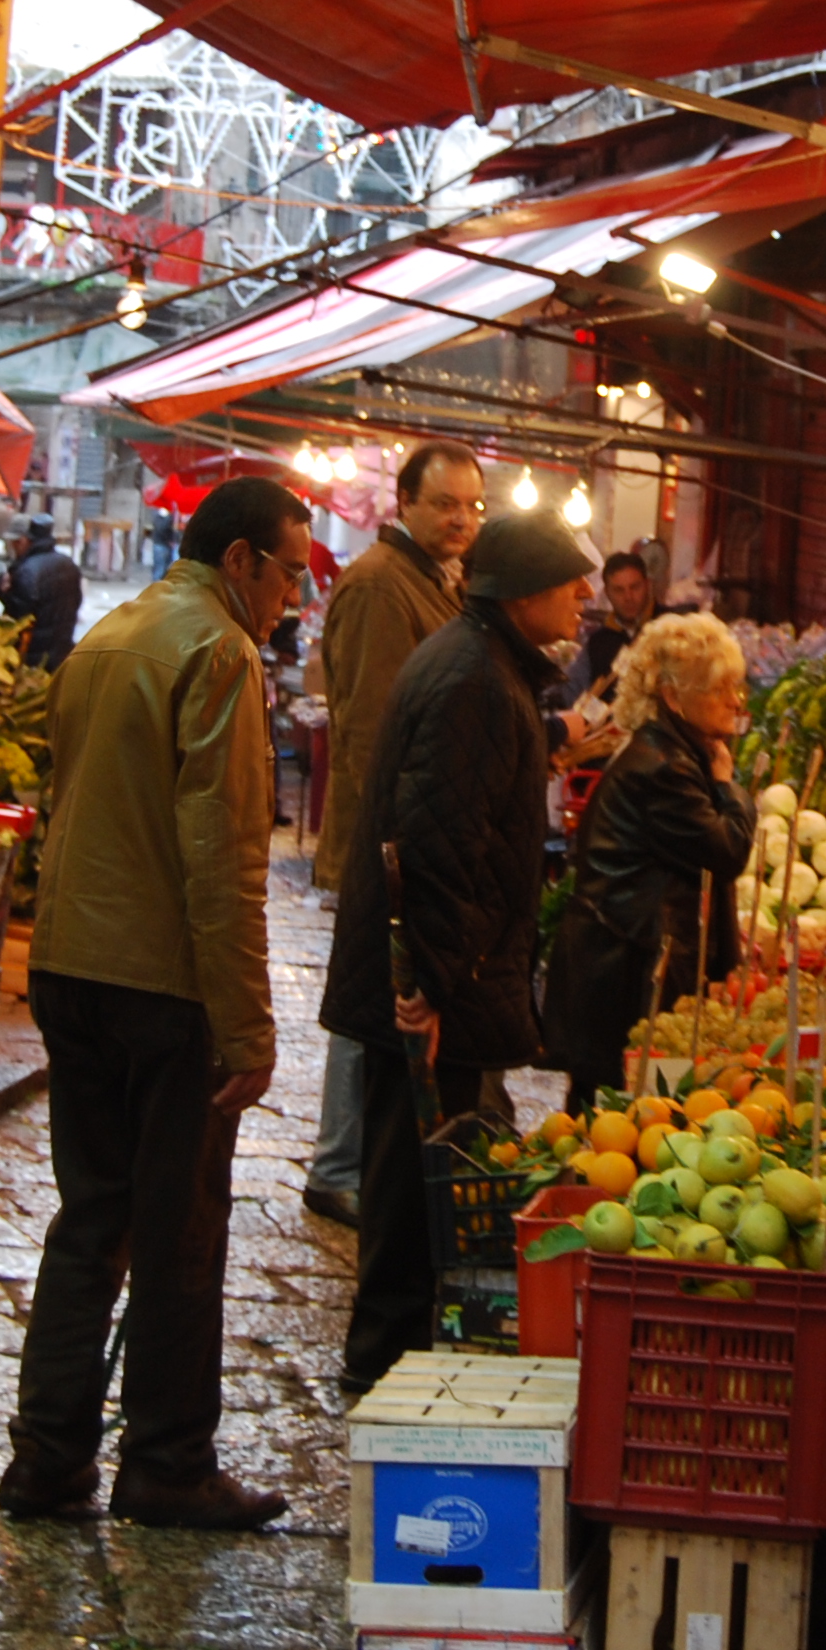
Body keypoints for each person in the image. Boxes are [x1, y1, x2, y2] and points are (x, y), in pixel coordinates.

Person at [2, 474, 308, 1529]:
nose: (293, 598)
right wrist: (246, 1028)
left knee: (90, 1213)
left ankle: (45, 1456)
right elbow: (219, 855)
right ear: (239, 563)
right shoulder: (217, 652)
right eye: (288, 574)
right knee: (178, 1228)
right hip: (159, 982)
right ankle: (167, 1461)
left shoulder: (112, 631)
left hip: (69, 963)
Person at [329, 507, 597, 1396]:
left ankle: (394, 1358)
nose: (585, 598)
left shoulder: (484, 662)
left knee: (417, 1177)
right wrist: (433, 989)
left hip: (440, 977)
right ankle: (382, 1368)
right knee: (411, 1185)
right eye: (570, 583)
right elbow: (441, 846)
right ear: (522, 595)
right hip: (430, 987)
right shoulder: (475, 679)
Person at [303, 443, 486, 1229]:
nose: (460, 519)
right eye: (445, 503)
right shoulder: (382, 586)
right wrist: (392, 847)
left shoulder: (435, 583)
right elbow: (374, 733)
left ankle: (354, 1159)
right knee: (369, 1003)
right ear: (402, 503)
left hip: (401, 839)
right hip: (385, 839)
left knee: (381, 1000)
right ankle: (338, 1164)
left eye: (473, 506)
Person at [544, 612, 753, 1111]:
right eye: (719, 688)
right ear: (673, 697)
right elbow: (728, 851)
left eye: (736, 686)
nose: (735, 700)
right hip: (629, 975)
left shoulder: (668, 753)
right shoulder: (662, 768)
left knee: (627, 1114)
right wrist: (728, 786)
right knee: (627, 1119)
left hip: (631, 964)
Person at [569, 549, 659, 703]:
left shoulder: (670, 626)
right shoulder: (597, 643)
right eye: (619, 590)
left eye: (635, 587)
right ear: (607, 593)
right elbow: (573, 693)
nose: (628, 597)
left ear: (647, 585)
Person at [0, 515, 83, 671]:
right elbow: (77, 602)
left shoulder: (26, 571)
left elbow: (18, 613)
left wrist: (0, 590)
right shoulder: (69, 564)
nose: (13, 549)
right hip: (62, 652)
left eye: (14, 544)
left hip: (32, 657)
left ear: (23, 541)